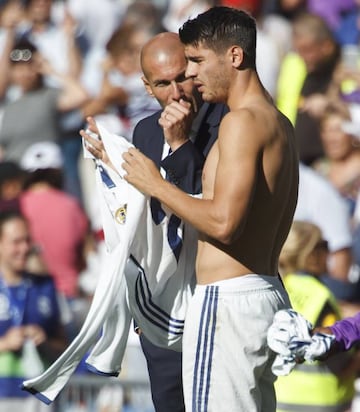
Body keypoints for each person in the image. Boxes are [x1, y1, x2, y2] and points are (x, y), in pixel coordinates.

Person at [121, 6, 298, 411]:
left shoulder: (240, 123)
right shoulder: (279, 122)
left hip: (228, 303)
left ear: (235, 57)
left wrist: (156, 185)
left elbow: (224, 223)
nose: (192, 76)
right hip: (262, 291)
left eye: (198, 62)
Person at [82, 31, 228, 412]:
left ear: (196, 69)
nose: (177, 92)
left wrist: (180, 146)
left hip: (215, 304)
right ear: (147, 87)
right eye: (163, 83)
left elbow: (207, 208)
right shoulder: (145, 131)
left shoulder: (230, 123)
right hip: (162, 313)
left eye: (182, 76)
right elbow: (148, 213)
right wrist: (115, 165)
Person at [275, 220, 357, 411]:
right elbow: (341, 364)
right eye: (325, 246)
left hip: (280, 401)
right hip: (321, 403)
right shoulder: (320, 297)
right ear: (311, 254)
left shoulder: (278, 289)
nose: (329, 254)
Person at [0, 210, 67, 412]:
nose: (25, 248)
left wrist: (45, 341)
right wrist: (4, 343)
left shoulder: (47, 286)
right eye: (16, 242)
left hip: (39, 399)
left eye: (28, 240)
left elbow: (64, 345)